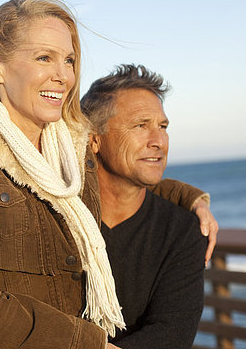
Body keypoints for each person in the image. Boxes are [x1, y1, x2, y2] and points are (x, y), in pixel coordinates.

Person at [0, 0, 216, 349]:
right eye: (44, 57)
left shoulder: (71, 146)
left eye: (68, 60)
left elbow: (125, 174)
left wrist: (192, 200)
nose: (63, 75)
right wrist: (91, 346)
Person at [81, 64, 206, 348]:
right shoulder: (57, 219)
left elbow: (172, 334)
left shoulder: (183, 230)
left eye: (162, 127)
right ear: (94, 139)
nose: (158, 141)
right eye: (140, 125)